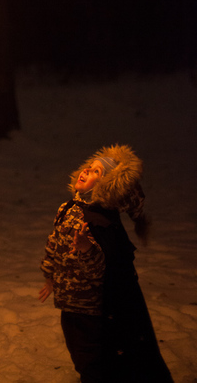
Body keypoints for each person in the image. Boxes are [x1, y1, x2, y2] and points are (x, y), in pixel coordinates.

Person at [39, 144, 173, 383]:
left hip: (91, 307)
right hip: (68, 301)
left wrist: (86, 248)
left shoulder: (101, 222)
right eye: (89, 167)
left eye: (96, 172)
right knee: (79, 355)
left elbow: (101, 268)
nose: (87, 171)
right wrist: (49, 275)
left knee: (92, 361)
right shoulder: (67, 208)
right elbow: (54, 243)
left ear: (108, 186)